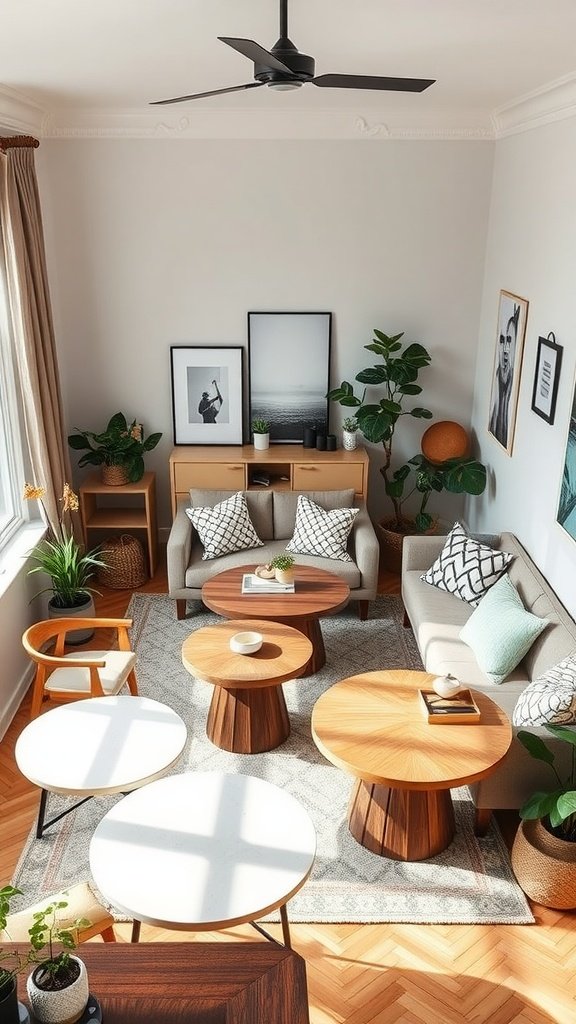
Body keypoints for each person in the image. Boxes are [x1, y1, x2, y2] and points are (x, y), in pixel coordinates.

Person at [489, 303, 520, 448]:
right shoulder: (498, 379)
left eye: (509, 340)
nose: (505, 349)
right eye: (502, 340)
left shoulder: (513, 383)